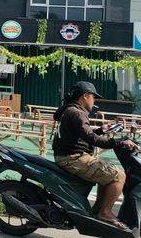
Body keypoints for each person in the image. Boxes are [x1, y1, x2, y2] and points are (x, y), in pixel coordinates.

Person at [52, 81, 137, 230]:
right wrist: (119, 143)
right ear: (85, 96)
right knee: (118, 175)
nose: (94, 100)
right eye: (93, 97)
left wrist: (101, 130)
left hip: (69, 156)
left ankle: (97, 211)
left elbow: (83, 135)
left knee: (108, 173)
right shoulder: (77, 113)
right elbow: (91, 139)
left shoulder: (70, 110)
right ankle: (104, 212)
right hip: (72, 158)